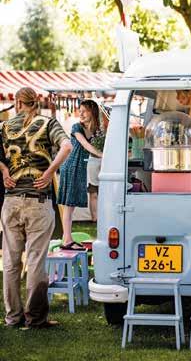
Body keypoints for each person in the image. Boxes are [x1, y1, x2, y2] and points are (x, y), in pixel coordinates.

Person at [0, 87, 72, 328]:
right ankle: (35, 318)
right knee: (36, 261)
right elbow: (67, 146)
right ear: (35, 102)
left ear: (18, 103)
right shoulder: (48, 123)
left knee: (10, 263)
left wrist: (4, 171)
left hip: (11, 202)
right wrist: (50, 171)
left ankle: (12, 317)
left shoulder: (6, 127)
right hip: (38, 201)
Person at [58, 99, 102, 249]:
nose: (81, 113)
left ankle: (67, 238)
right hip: (71, 166)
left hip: (80, 167)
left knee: (72, 204)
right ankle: (67, 241)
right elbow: (85, 145)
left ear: (92, 112)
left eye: (84, 110)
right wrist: (103, 155)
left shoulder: (95, 131)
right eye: (80, 110)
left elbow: (93, 150)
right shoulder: (77, 127)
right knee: (69, 205)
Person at [86, 108, 109, 222]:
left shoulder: (110, 129)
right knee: (94, 191)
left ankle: (101, 216)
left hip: (104, 161)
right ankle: (95, 218)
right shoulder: (91, 127)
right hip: (95, 160)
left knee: (101, 191)